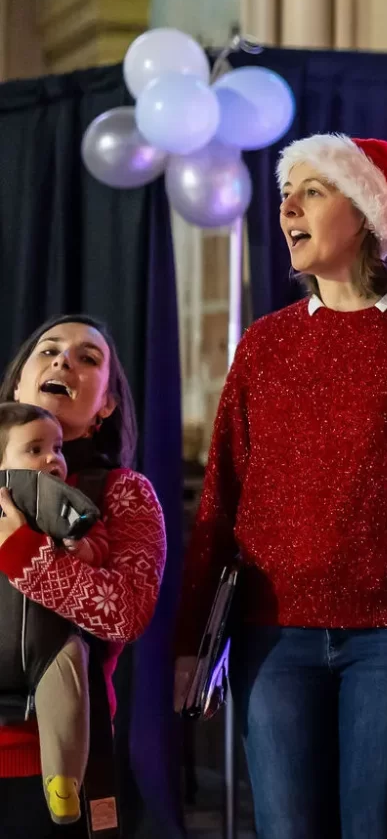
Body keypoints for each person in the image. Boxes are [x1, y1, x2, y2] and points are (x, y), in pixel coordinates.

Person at [175, 134, 387, 839]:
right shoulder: (267, 343)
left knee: (378, 825)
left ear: (365, 212)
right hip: (275, 635)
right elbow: (221, 494)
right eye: (286, 193)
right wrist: (191, 640)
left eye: (312, 190)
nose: (287, 208)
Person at [0, 315, 166, 835]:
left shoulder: (124, 494)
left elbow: (124, 612)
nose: (63, 360)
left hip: (56, 768)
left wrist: (22, 553)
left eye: (87, 358)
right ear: (19, 384)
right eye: (48, 350)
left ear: (105, 407)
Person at [0, 404, 103, 826]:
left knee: (69, 671)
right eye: (35, 448)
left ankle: (62, 782)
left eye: (57, 448)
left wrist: (81, 549)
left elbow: (94, 545)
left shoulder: (59, 499)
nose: (51, 459)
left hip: (47, 645)